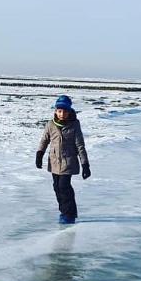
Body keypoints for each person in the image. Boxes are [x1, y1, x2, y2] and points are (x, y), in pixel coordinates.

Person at [35, 94, 90, 224]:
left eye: (65, 111)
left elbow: (80, 145)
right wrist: (39, 154)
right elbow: (44, 140)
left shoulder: (74, 125)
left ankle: (69, 214)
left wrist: (85, 164)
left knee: (64, 186)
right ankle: (63, 211)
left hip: (68, 162)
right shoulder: (50, 124)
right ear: (56, 111)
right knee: (56, 187)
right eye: (59, 111)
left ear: (69, 111)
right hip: (54, 162)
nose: (62, 114)